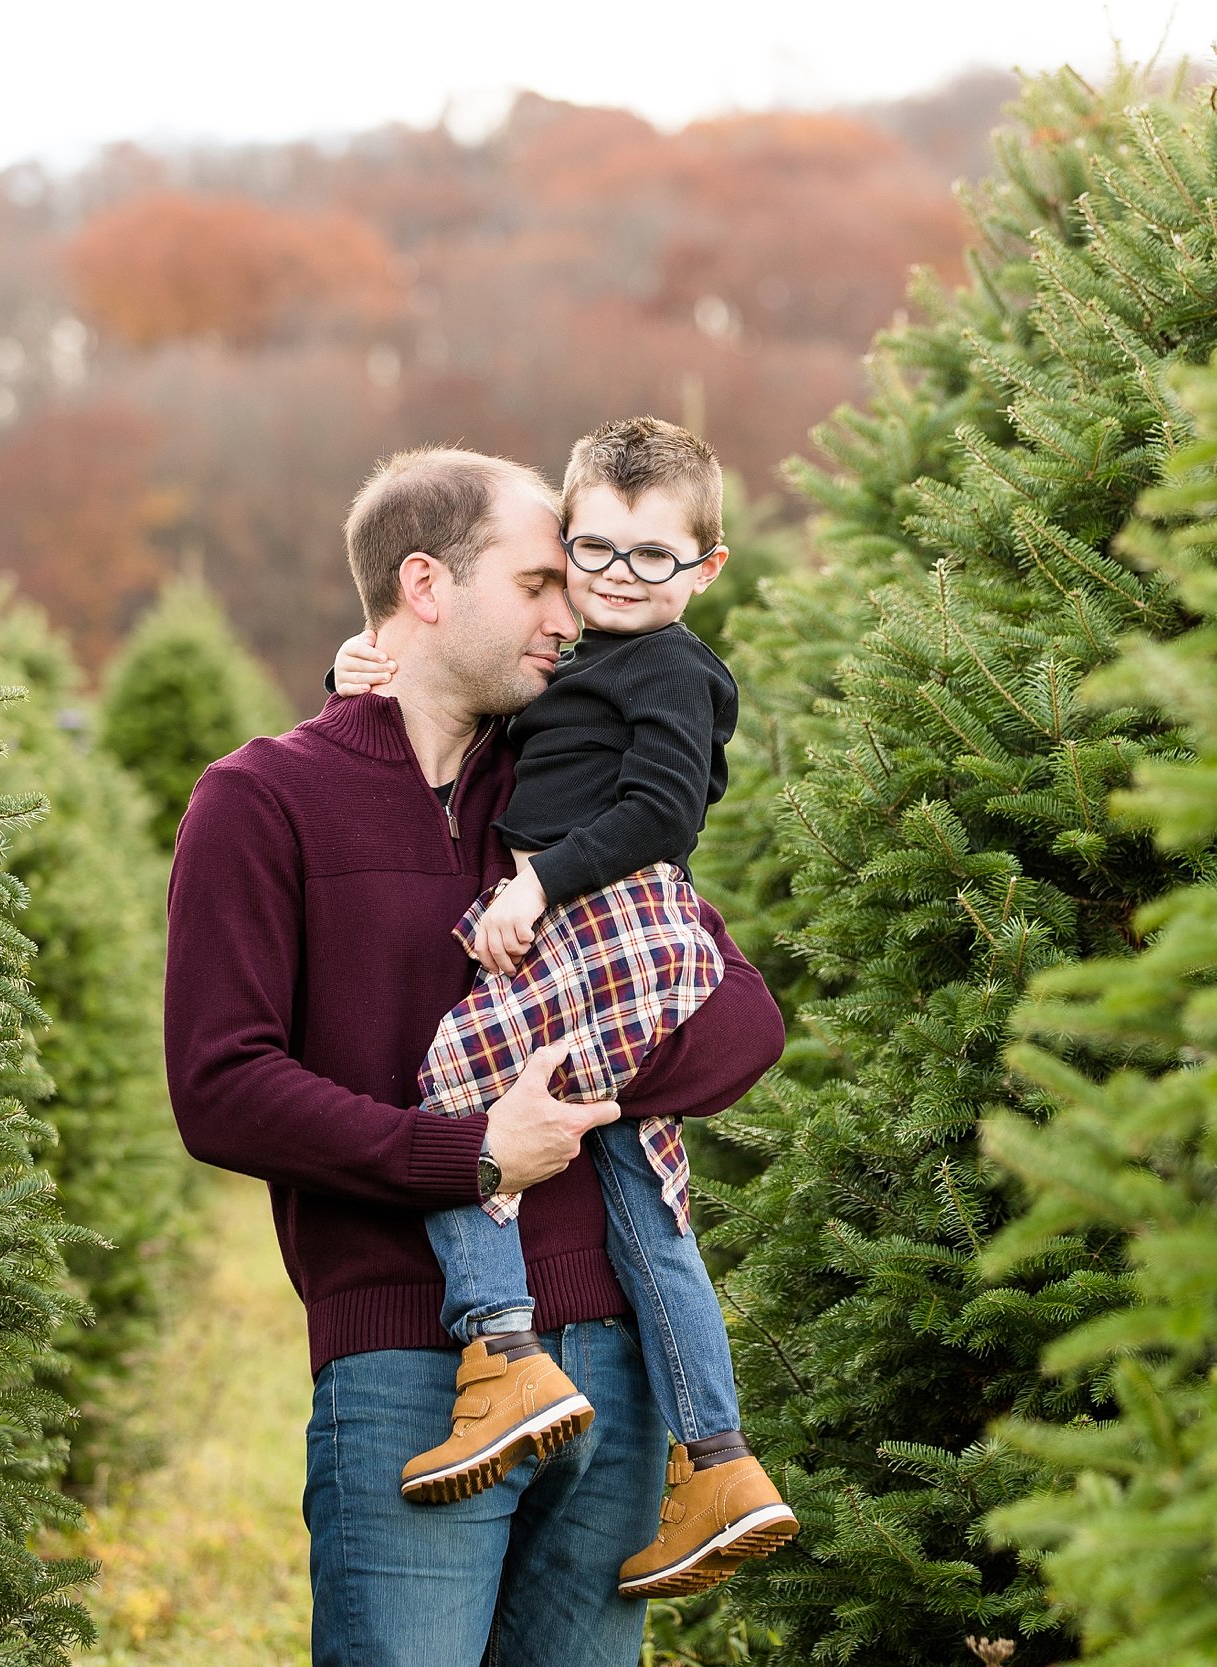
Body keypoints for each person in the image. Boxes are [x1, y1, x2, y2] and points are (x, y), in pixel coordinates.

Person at [163, 446, 787, 1667]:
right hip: (407, 1356)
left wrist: (580, 1090)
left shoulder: (563, 794)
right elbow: (221, 1088)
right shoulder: (260, 802)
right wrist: (467, 1151)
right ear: (425, 588)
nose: (574, 615)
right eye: (541, 581)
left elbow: (737, 1022)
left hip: (613, 1356)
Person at [331, 417, 792, 1598]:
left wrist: (535, 880)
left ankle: (501, 1345)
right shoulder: (578, 663)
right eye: (590, 553)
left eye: (654, 557)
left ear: (705, 567)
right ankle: (722, 1459)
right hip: (602, 927)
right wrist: (356, 675)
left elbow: (662, 812)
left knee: (453, 1092)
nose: (616, 581)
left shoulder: (675, 668)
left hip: (608, 919)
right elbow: (468, 719)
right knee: (644, 1188)